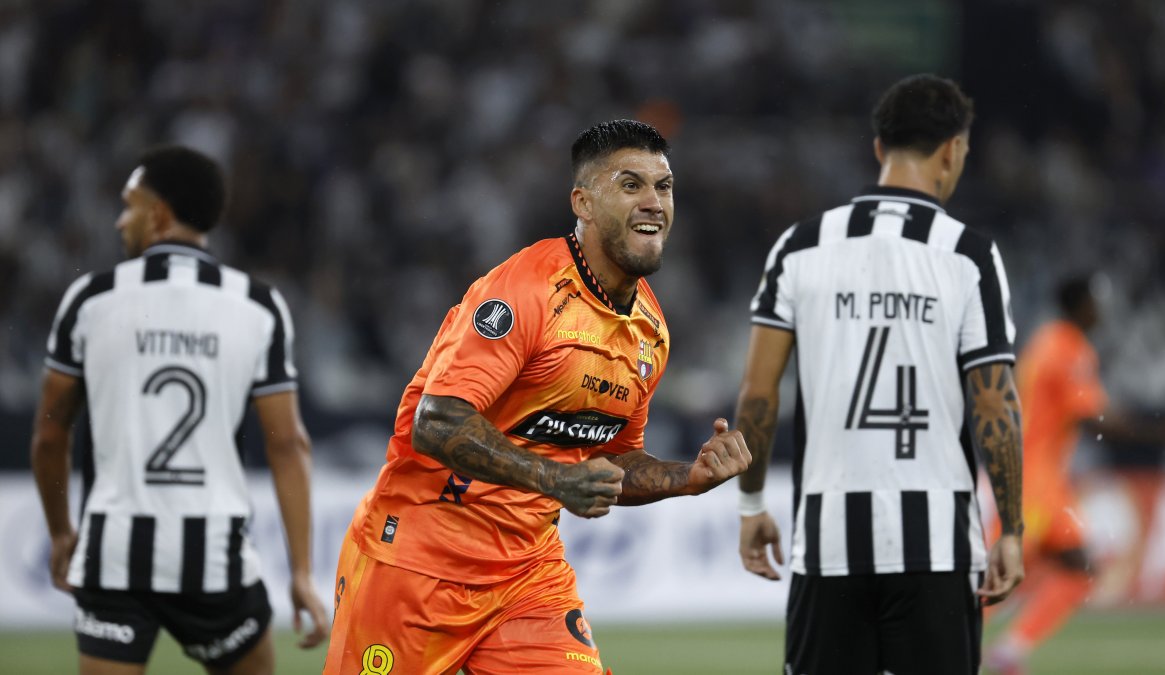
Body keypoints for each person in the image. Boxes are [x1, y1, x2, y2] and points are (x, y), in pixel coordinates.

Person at [322, 119, 751, 675]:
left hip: (528, 575)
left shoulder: (650, 330)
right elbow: (437, 421)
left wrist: (685, 479)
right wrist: (553, 480)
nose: (653, 202)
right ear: (584, 203)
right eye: (630, 184)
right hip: (418, 563)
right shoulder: (524, 290)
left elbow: (611, 460)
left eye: (663, 187)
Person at [733, 74, 1025, 675]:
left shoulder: (800, 246)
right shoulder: (969, 255)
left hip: (829, 542)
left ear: (877, 149)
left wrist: (751, 501)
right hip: (937, 548)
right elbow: (995, 404)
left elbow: (758, 395)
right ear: (952, 150)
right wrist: (1013, 530)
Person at [31, 145, 329, 675]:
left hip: (114, 554)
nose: (122, 219)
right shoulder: (258, 305)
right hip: (214, 559)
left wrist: (60, 533)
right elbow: (289, 444)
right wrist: (303, 572)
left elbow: (51, 436)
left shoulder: (90, 299)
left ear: (159, 214)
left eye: (130, 205)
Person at [982, 274, 1165, 674]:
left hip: (1045, 479)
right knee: (998, 578)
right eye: (1096, 301)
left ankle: (1009, 651)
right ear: (1079, 305)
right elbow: (1093, 418)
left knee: (1078, 570)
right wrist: (1164, 430)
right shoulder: (1067, 349)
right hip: (1033, 483)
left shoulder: (1047, 341)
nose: (1101, 310)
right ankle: (943, 647)